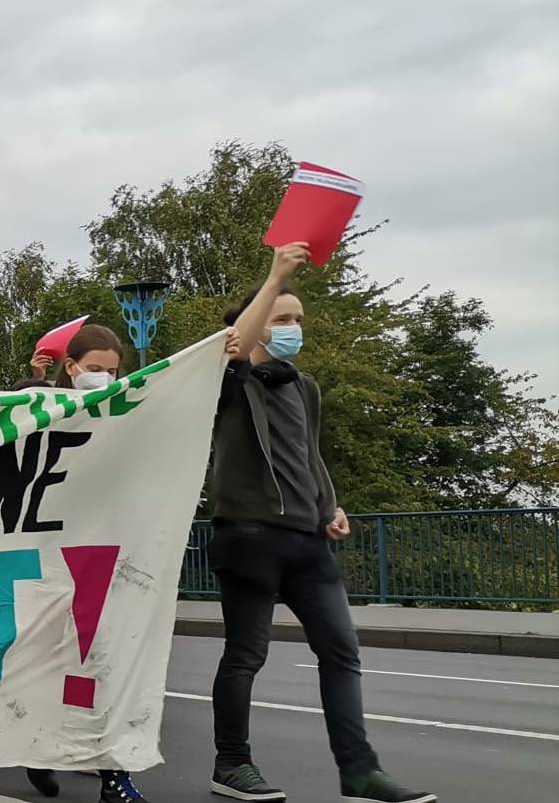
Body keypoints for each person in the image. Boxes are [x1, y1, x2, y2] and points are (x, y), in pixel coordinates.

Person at [205, 242, 432, 803]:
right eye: (281, 319)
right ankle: (232, 763)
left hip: (307, 542)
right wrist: (277, 273)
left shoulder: (303, 386)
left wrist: (329, 504)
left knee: (341, 651)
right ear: (253, 328)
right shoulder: (228, 385)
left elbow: (308, 455)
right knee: (245, 654)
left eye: (298, 320)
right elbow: (233, 358)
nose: (292, 328)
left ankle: (359, 771)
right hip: (248, 538)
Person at [9, 323, 158, 803]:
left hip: (102, 554)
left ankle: (115, 777)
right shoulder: (40, 404)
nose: (105, 378)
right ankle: (39, 749)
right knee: (46, 663)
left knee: (106, 663)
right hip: (44, 556)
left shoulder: (123, 411)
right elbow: (3, 415)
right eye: (95, 370)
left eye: (112, 371)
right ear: (71, 368)